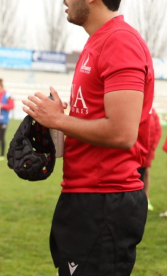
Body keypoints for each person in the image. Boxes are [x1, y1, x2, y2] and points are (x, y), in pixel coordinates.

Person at [22, 0, 154, 275]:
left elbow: (122, 132)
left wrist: (57, 119)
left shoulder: (120, 41)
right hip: (84, 196)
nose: (64, 1)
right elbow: (95, 118)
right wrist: (60, 119)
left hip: (105, 200)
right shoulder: (98, 41)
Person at [137, 108, 161, 211]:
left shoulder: (153, 112)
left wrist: (153, 147)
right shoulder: (136, 108)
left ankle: (146, 199)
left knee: (145, 172)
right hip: (135, 151)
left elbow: (157, 131)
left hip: (148, 151)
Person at [0, 78, 14, 161]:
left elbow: (12, 106)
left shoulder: (7, 95)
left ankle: (2, 154)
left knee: (1, 137)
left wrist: (3, 106)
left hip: (4, 120)